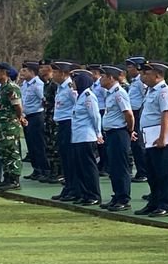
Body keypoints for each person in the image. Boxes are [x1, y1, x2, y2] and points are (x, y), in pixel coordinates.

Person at [137, 60, 168, 217]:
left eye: (147, 73)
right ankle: (154, 202)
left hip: (160, 139)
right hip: (150, 137)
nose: (144, 76)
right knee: (152, 173)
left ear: (157, 75)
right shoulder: (151, 91)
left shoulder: (163, 91)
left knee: (164, 173)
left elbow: (167, 113)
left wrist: (163, 137)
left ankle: (165, 205)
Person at [97, 65, 134, 212]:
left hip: (119, 132)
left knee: (120, 167)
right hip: (112, 133)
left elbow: (128, 114)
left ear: (111, 78)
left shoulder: (119, 93)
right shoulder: (110, 93)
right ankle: (117, 195)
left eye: (103, 77)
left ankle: (123, 199)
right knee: (113, 167)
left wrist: (129, 130)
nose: (100, 79)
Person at [67, 67, 103, 205]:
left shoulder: (88, 96)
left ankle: (94, 195)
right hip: (78, 136)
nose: (72, 83)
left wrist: (98, 133)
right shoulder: (80, 96)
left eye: (75, 80)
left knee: (88, 167)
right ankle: (84, 193)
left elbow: (95, 116)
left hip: (87, 136)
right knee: (80, 167)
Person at [49, 62, 80, 201]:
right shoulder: (60, 87)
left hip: (69, 124)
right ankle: (68, 187)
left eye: (55, 72)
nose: (53, 75)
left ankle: (74, 189)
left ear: (63, 73)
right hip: (62, 124)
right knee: (64, 158)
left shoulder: (70, 87)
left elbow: (78, 105)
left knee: (70, 158)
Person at [0, 63, 24, 188]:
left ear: (4, 73)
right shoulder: (2, 87)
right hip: (1, 125)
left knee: (12, 151)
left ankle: (14, 179)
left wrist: (19, 117)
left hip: (10, 124)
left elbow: (17, 106)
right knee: (4, 151)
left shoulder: (11, 87)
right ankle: (7, 177)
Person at [20, 62, 51, 181]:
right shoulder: (25, 84)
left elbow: (44, 100)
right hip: (27, 116)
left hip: (36, 116)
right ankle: (36, 169)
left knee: (39, 144)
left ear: (32, 72)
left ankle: (44, 170)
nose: (22, 73)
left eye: (25, 71)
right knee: (31, 144)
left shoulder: (38, 84)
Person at [124, 56, 149, 183]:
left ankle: (143, 172)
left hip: (138, 112)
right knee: (134, 144)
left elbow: (146, 96)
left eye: (130, 67)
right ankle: (140, 170)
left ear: (138, 68)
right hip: (133, 113)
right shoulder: (134, 81)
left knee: (138, 144)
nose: (128, 70)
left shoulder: (141, 81)